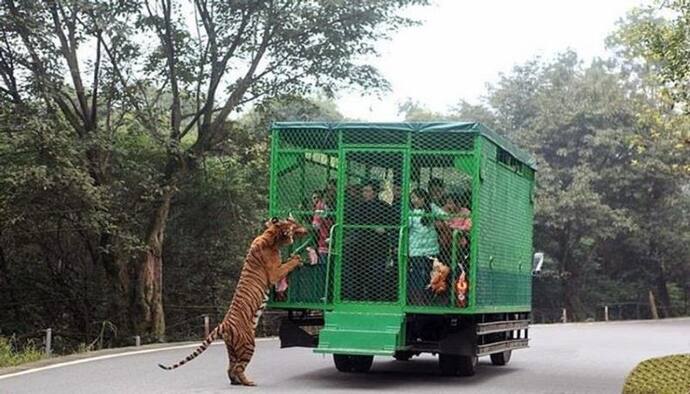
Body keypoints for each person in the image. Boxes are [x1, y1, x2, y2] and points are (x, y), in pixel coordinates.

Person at [343, 179, 394, 301]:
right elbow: (354, 225)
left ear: (375, 192)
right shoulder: (358, 207)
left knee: (376, 276)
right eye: (363, 190)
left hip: (378, 247)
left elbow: (391, 225)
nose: (364, 193)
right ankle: (357, 299)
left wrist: (384, 229)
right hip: (360, 248)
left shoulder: (384, 207)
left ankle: (375, 300)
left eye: (367, 190)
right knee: (359, 275)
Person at [407, 188, 444, 306]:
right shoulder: (410, 210)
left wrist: (440, 220)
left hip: (431, 248)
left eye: (415, 197)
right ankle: (416, 299)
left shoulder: (431, 207)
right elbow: (406, 224)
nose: (413, 200)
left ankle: (428, 299)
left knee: (430, 274)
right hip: (416, 249)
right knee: (417, 274)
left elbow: (444, 215)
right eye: (412, 198)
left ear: (422, 198)